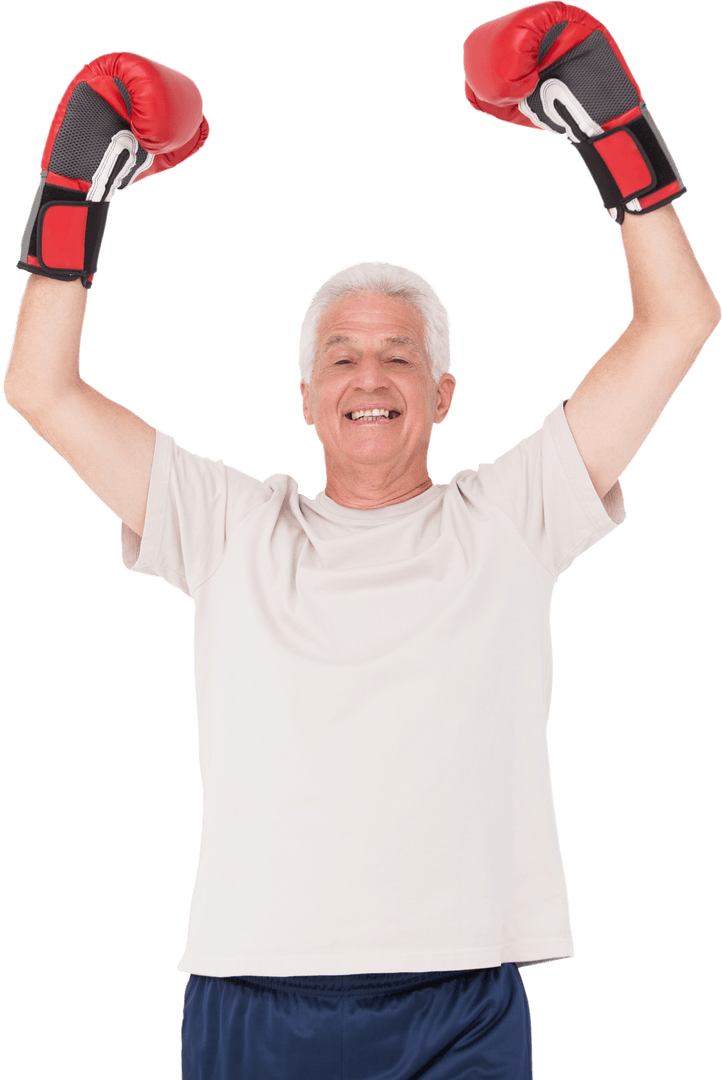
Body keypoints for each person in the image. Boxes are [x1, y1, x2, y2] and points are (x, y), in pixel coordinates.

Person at [4, 7, 719, 1080]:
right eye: (341, 357)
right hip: (252, 986)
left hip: (458, 994)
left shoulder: (510, 515)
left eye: (397, 356)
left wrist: (603, 128)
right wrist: (77, 196)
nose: (369, 378)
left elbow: (679, 323)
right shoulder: (232, 524)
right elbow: (38, 388)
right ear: (304, 398)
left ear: (441, 392)